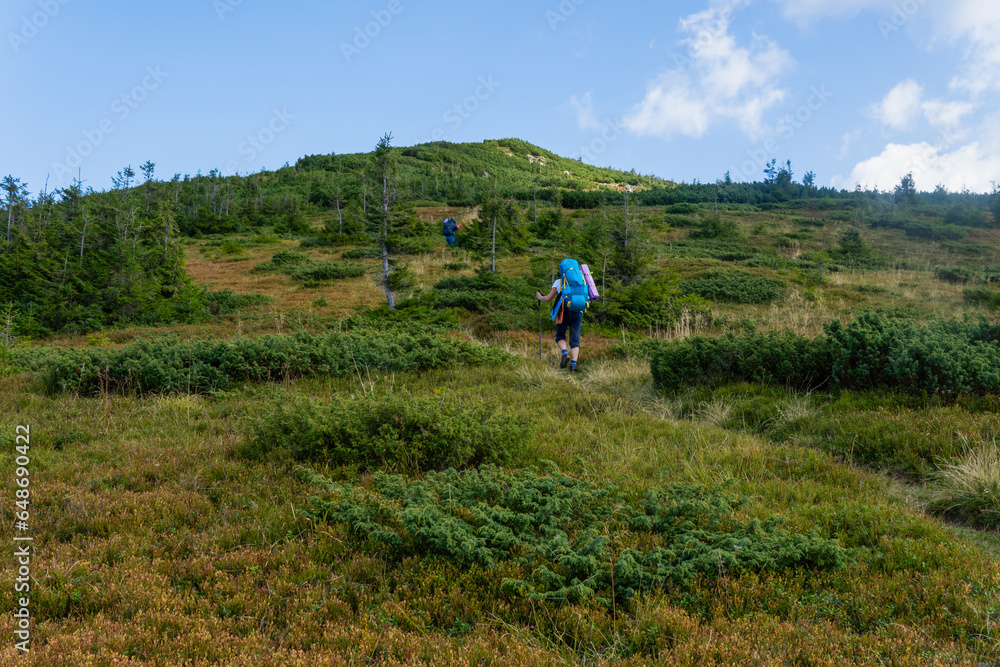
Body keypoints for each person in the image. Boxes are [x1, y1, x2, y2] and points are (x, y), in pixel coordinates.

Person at [536, 278, 582, 372]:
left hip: (561, 311)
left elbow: (548, 298)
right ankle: (573, 366)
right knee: (575, 340)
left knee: (560, 335)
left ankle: (565, 353)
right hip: (577, 312)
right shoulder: (582, 281)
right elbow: (589, 299)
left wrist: (540, 297)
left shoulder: (559, 281)